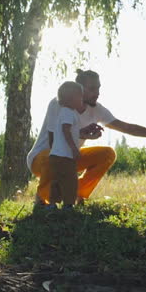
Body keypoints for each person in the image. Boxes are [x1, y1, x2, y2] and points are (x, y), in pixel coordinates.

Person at [27, 69, 146, 206]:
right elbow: (54, 140)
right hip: (41, 158)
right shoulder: (59, 103)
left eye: (98, 88)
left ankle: (77, 193)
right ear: (79, 90)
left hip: (70, 157)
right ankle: (42, 198)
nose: (97, 93)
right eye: (92, 89)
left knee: (108, 153)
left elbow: (127, 127)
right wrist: (81, 133)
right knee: (52, 156)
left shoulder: (97, 109)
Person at [49, 81, 86, 210]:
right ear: (71, 99)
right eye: (80, 97)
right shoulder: (69, 113)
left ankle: (53, 204)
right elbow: (66, 131)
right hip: (64, 155)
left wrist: (89, 136)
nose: (82, 99)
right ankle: (68, 205)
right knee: (70, 180)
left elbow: (72, 132)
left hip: (55, 154)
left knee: (57, 179)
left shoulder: (65, 112)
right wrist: (74, 149)